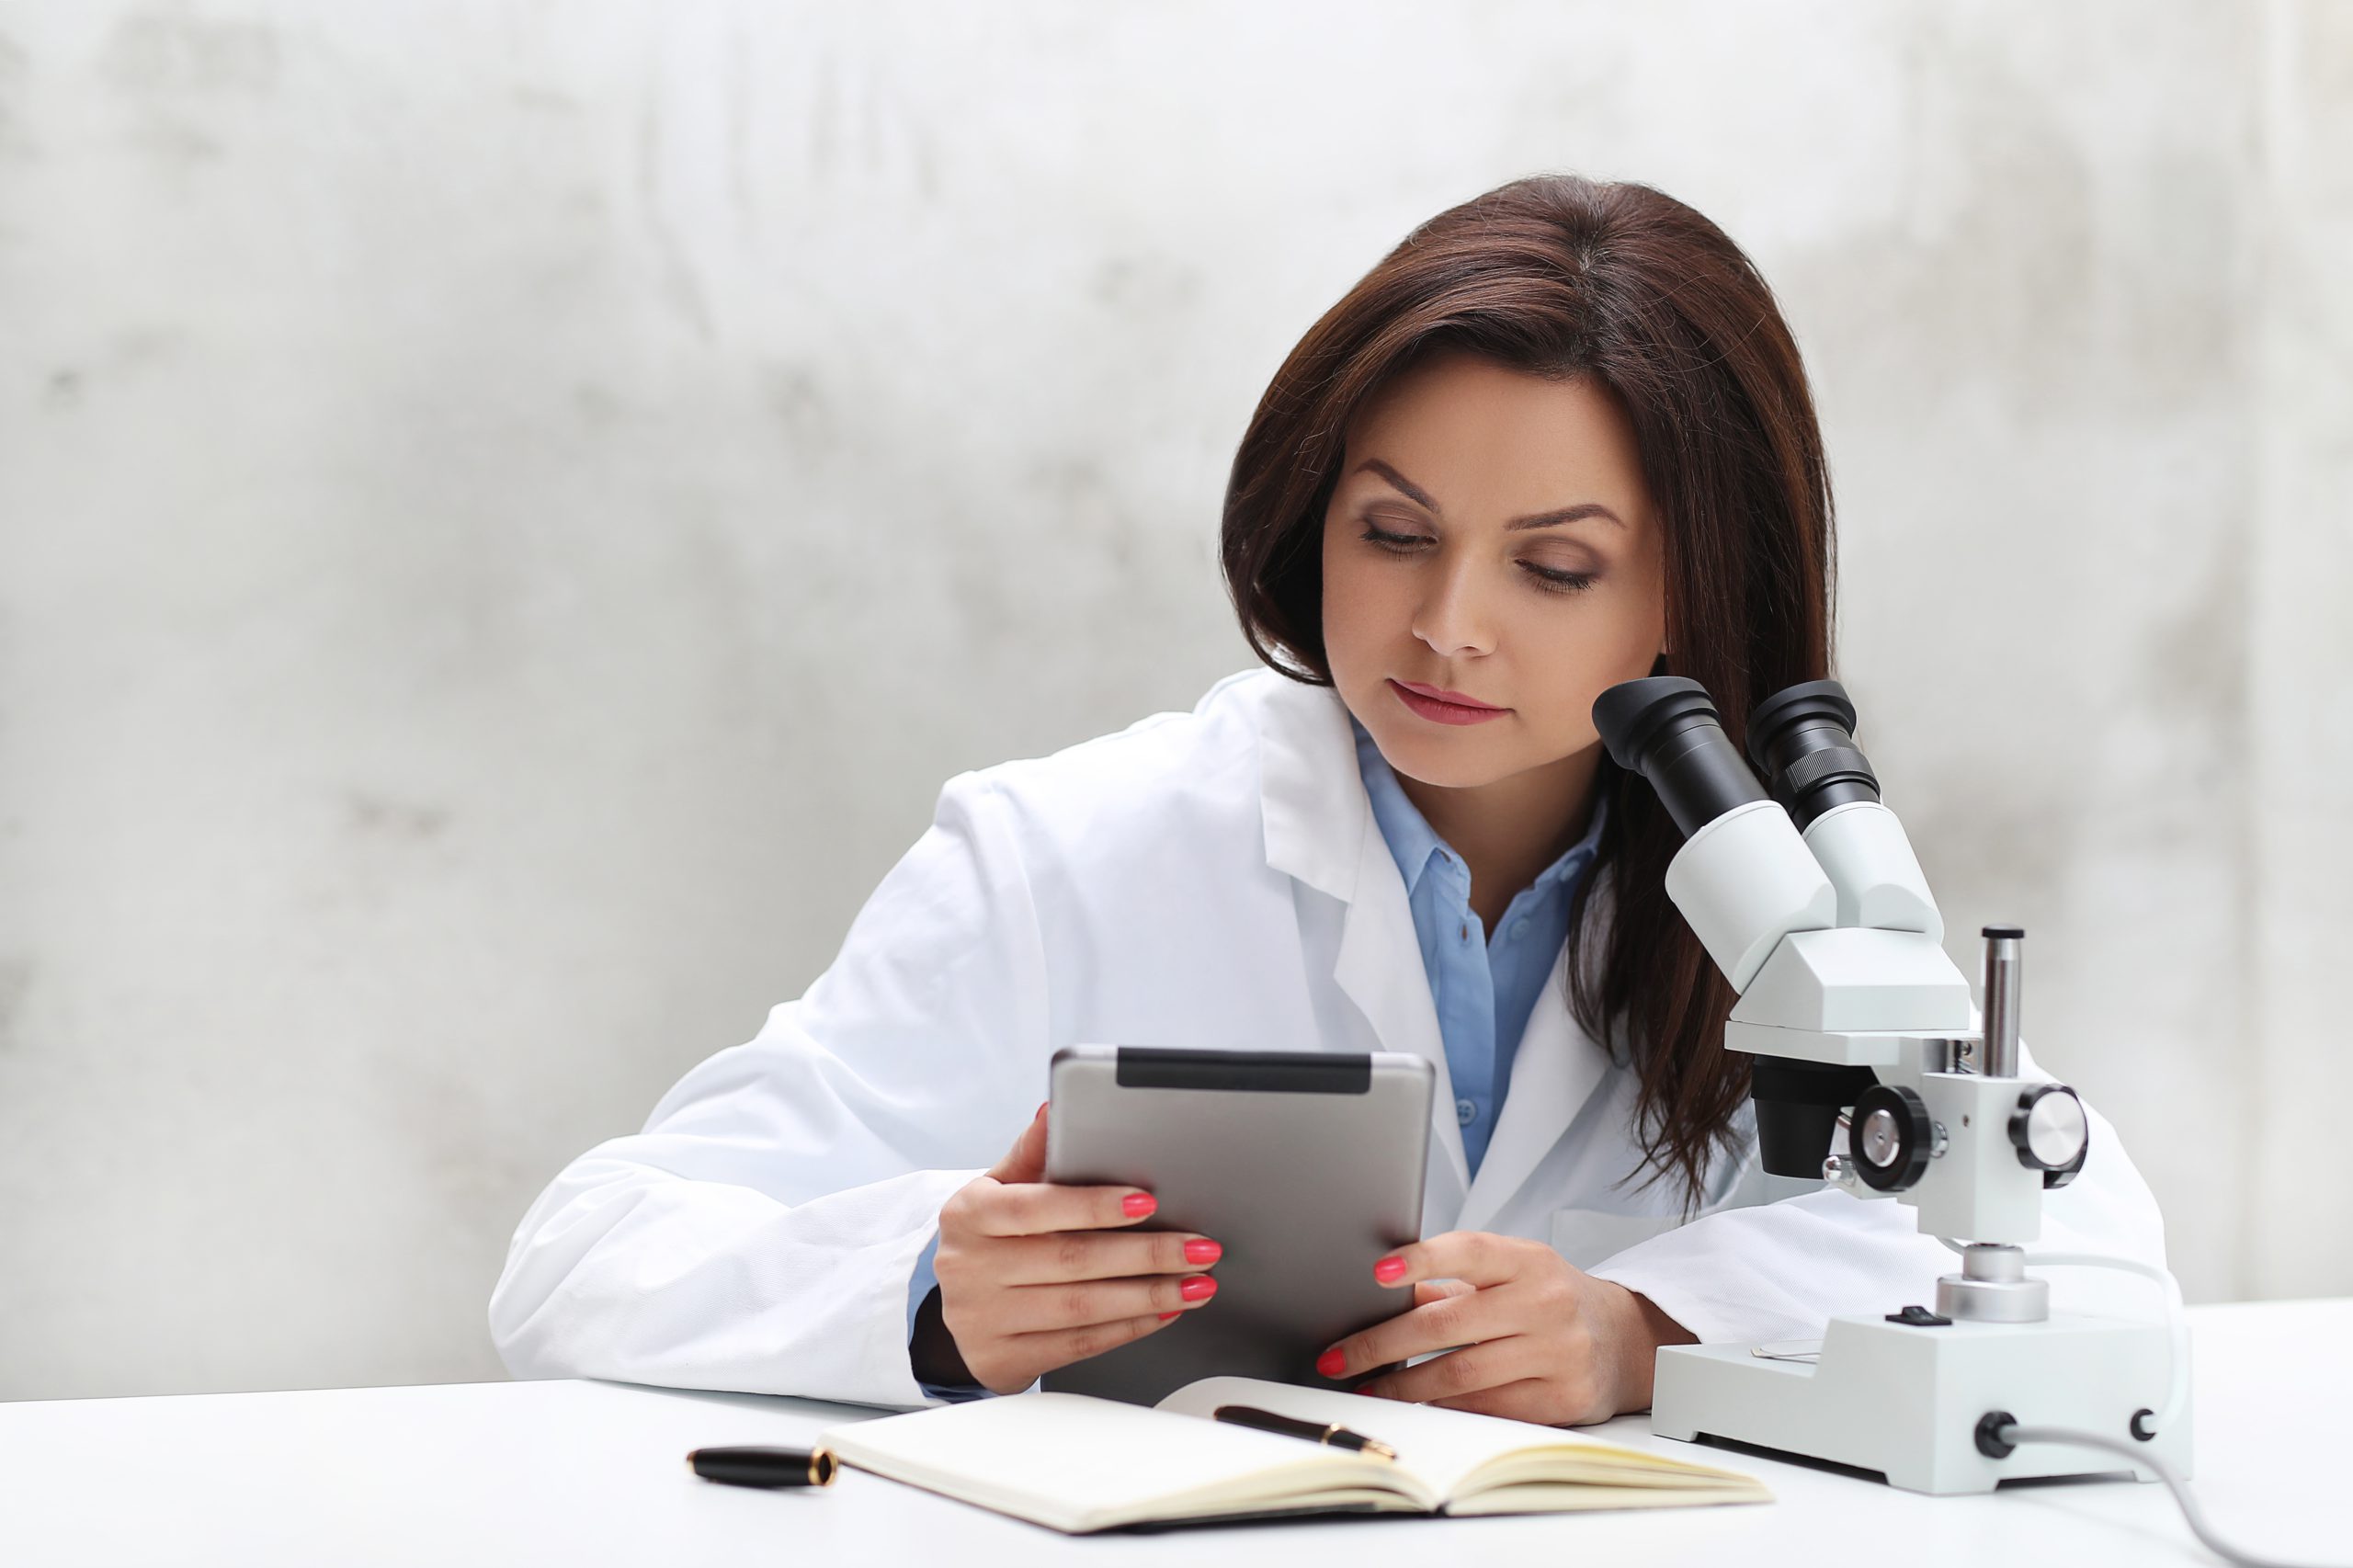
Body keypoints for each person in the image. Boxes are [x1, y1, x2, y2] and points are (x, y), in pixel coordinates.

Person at [488, 175, 2166, 1422]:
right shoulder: (1064, 849)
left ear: (1691, 598)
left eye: (1556, 566)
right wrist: (931, 1290)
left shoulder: (1781, 903)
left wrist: (1644, 1327)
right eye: (1393, 530)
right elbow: (582, 1256)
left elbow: (2085, 1251)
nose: (1447, 625)